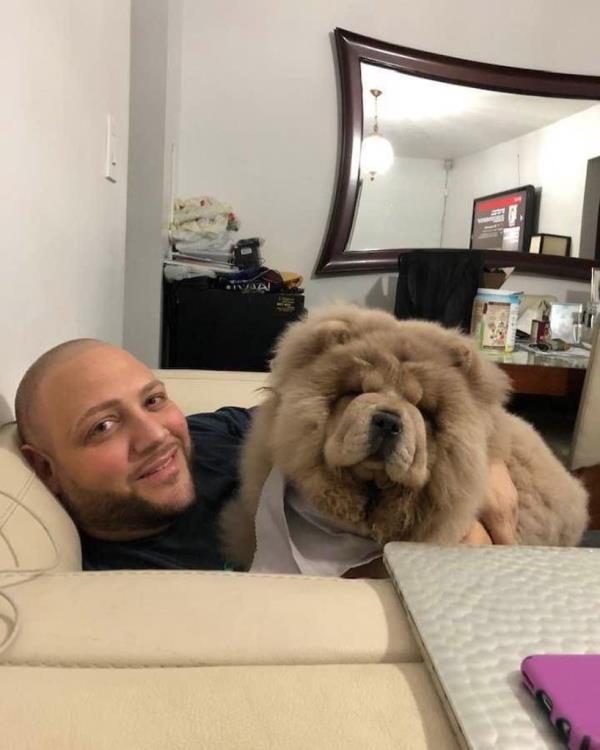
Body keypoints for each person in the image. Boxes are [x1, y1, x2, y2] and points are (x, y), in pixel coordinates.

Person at [14, 339, 517, 572]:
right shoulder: (134, 582)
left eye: (153, 400)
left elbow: (292, 411)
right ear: (44, 469)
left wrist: (485, 459)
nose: (156, 436)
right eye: (102, 427)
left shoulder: (204, 437)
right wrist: (434, 556)